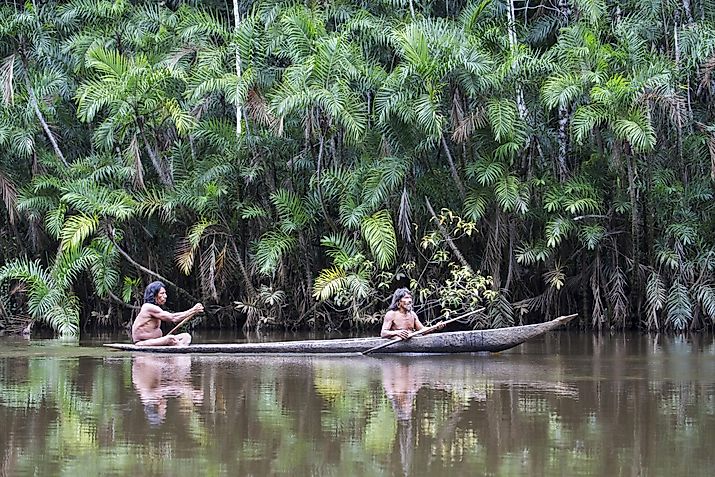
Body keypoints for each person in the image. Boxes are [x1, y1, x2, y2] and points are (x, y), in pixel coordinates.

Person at [131, 281, 204, 346]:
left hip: (154, 341)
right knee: (170, 338)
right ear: (154, 295)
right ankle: (182, 354)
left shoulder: (155, 308)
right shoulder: (148, 307)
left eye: (165, 293)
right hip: (142, 343)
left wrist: (193, 311)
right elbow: (173, 318)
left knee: (186, 337)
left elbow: (173, 316)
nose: (165, 296)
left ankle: (176, 356)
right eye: (162, 293)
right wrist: (193, 310)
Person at [380, 288, 444, 339]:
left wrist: (435, 327)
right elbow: (383, 333)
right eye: (406, 298)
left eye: (410, 298)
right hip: (397, 340)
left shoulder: (412, 314)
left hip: (411, 339)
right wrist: (397, 332)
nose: (410, 300)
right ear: (399, 301)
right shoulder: (391, 314)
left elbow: (423, 331)